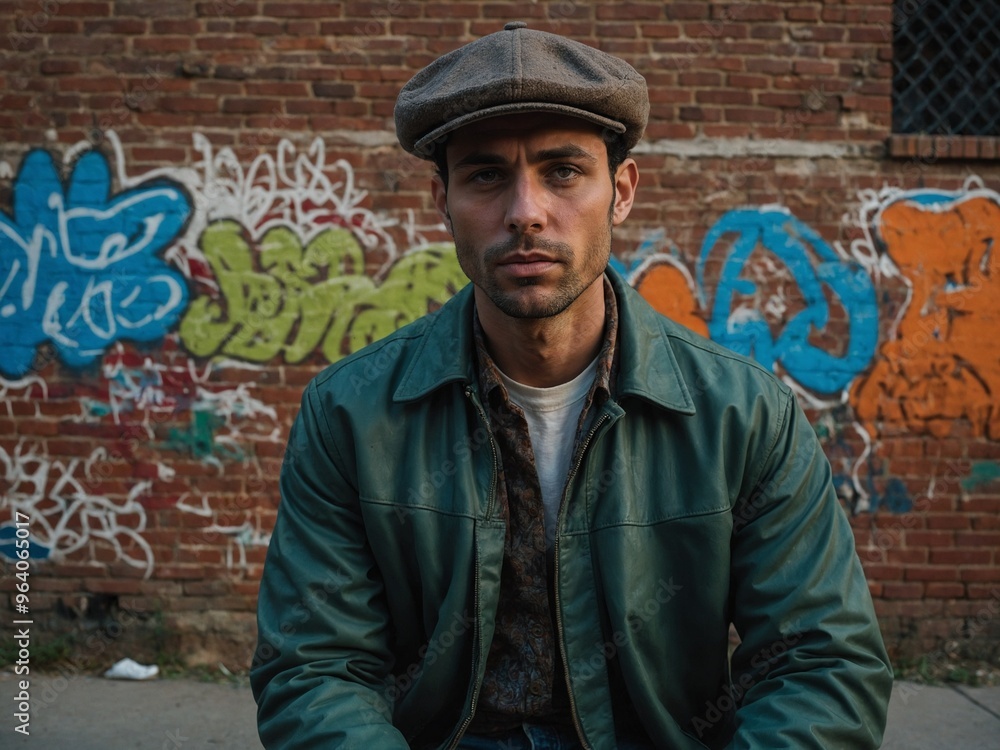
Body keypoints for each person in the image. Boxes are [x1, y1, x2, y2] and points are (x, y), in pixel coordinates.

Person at [251, 22, 893, 749]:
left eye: (562, 171)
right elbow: (315, 669)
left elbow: (819, 664)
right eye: (486, 175)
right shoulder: (350, 415)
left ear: (620, 192)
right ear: (442, 199)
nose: (525, 211)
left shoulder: (744, 417)